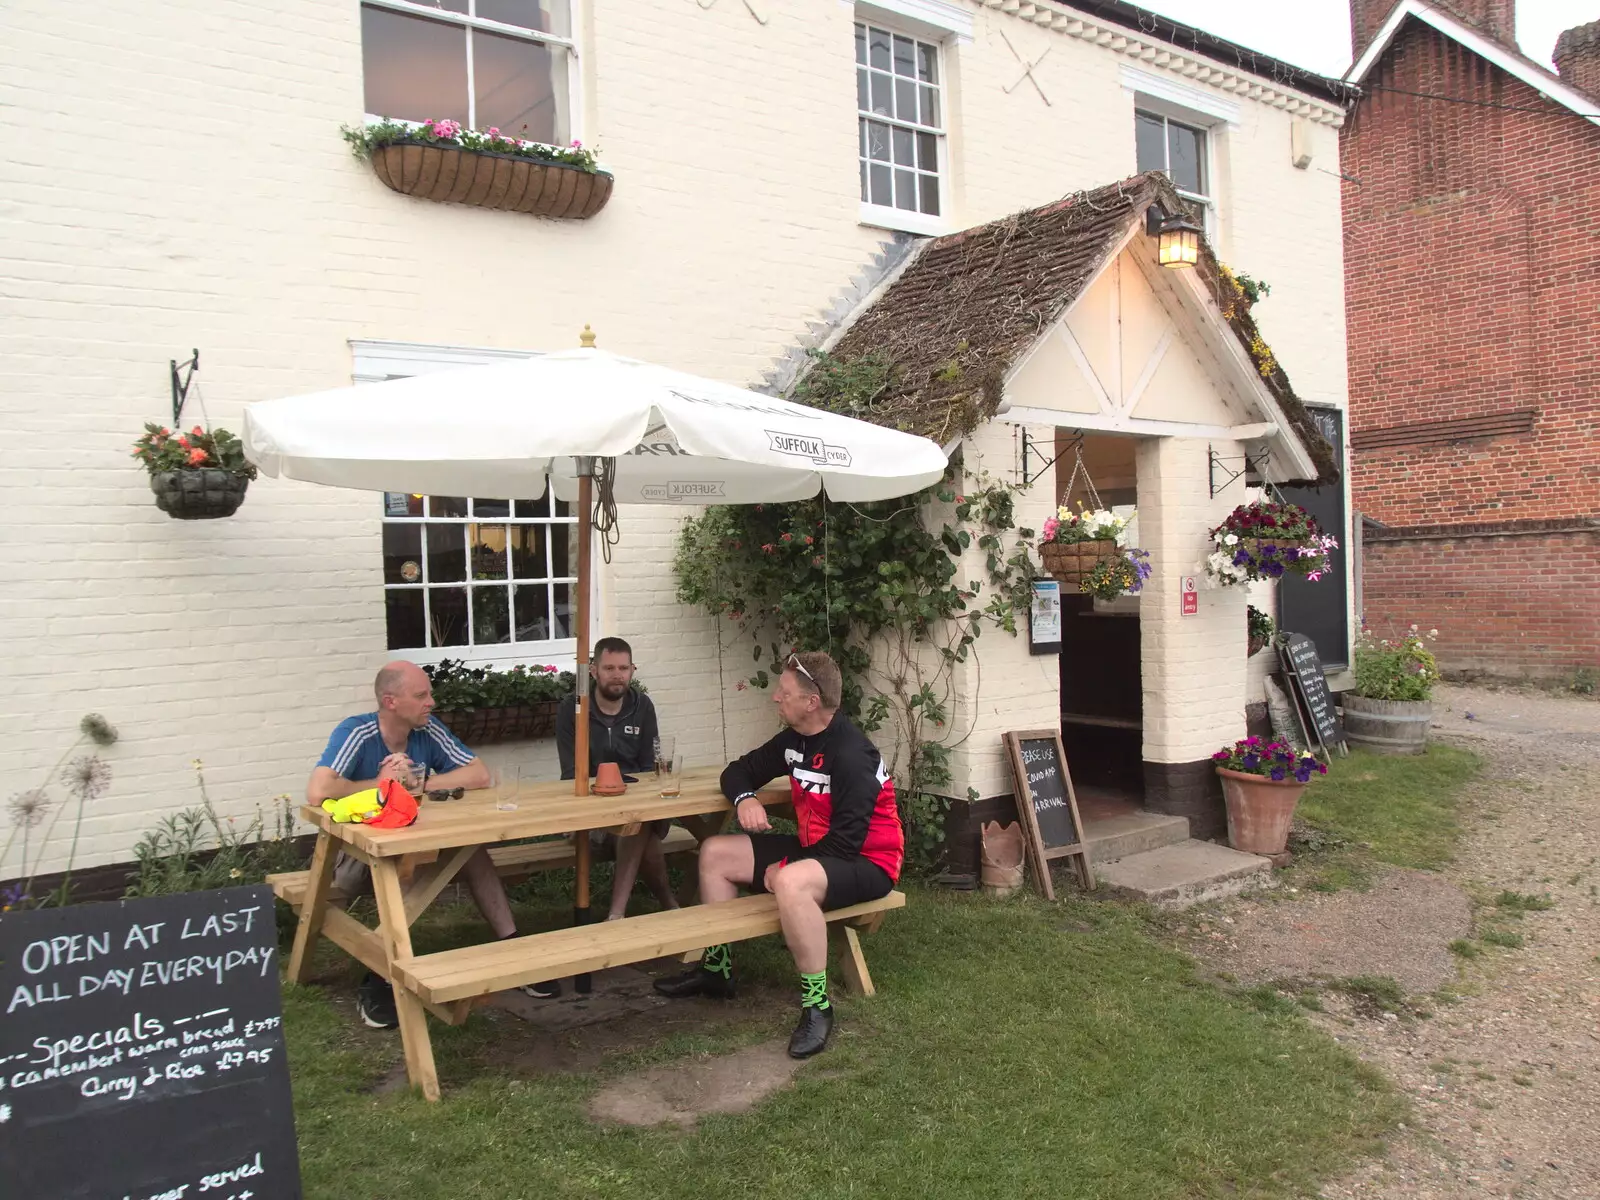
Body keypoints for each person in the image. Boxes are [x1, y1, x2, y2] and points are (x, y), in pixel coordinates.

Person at [653, 650, 903, 1059]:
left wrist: (784, 867)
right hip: (818, 849)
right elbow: (736, 771)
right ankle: (717, 969)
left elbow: (846, 844)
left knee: (790, 881)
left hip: (868, 862)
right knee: (715, 851)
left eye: (784, 692)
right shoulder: (794, 741)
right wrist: (746, 799)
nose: (775, 698)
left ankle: (817, 1006)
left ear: (812, 701)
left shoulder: (852, 754)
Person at [308, 660, 557, 1030]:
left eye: (429, 693)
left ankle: (512, 949)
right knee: (408, 859)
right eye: (421, 695)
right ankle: (381, 977)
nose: (432, 702)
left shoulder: (427, 730)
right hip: (353, 859)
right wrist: (381, 785)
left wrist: (419, 785)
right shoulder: (356, 732)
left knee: (471, 848)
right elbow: (318, 791)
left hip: (414, 840)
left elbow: (479, 774)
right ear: (391, 702)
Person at [555, 637, 678, 921]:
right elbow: (570, 773)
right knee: (642, 833)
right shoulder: (572, 709)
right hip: (592, 813)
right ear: (594, 671)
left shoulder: (642, 706)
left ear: (633, 670)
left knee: (637, 822)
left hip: (636, 808)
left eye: (623, 668)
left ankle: (618, 914)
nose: (617, 675)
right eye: (609, 668)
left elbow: (650, 767)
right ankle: (665, 903)